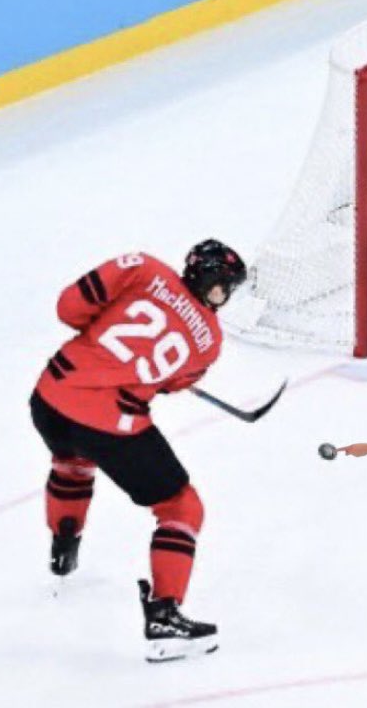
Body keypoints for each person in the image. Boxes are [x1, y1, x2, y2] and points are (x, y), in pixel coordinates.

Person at [29, 240, 247, 662]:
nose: (224, 295)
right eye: (225, 286)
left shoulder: (142, 268)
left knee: (72, 461)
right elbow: (170, 384)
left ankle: (63, 552)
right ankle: (164, 615)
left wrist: (100, 336)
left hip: (51, 397)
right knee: (181, 507)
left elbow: (68, 308)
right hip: (107, 421)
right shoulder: (209, 340)